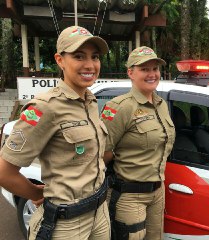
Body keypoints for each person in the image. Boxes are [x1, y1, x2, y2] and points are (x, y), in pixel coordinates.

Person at [0, 26, 111, 240]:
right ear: (60, 60)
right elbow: (5, 172)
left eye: (94, 57)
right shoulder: (44, 107)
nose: (90, 65)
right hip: (67, 224)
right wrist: (36, 194)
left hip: (99, 212)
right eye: (79, 56)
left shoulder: (90, 101)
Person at [101, 46, 175, 240]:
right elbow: (103, 154)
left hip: (157, 193)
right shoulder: (119, 107)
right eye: (144, 69)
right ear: (130, 73)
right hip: (129, 195)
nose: (152, 74)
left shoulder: (161, 105)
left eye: (155, 69)